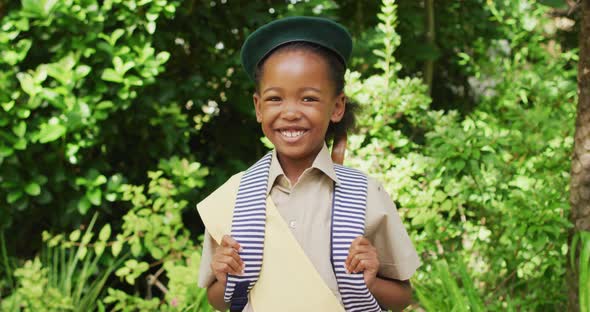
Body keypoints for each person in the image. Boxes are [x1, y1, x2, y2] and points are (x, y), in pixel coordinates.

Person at [196, 16, 420, 312]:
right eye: (275, 98)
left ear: (337, 107)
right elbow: (218, 300)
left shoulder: (365, 195)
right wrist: (226, 278)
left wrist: (370, 281)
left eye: (308, 99)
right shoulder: (234, 197)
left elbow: (403, 297)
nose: (290, 112)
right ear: (258, 107)